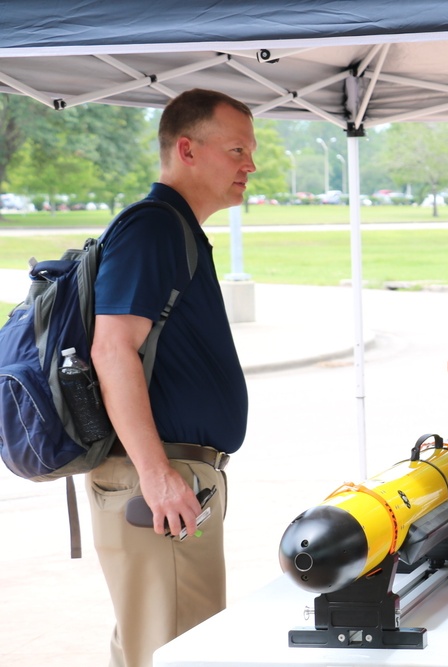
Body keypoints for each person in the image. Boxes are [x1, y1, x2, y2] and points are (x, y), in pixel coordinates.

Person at [87, 88, 255, 667]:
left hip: (171, 477)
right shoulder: (154, 228)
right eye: (236, 149)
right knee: (180, 648)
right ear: (187, 149)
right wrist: (157, 476)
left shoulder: (173, 228)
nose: (249, 165)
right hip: (157, 479)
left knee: (154, 644)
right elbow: (112, 350)